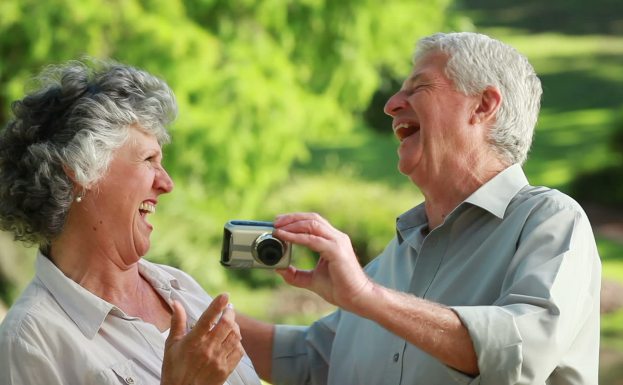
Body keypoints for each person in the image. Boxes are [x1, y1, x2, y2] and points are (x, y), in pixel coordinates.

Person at [237, 32, 602, 385]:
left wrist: (368, 296)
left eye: (419, 88)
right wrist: (183, 307)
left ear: (483, 105)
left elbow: (521, 352)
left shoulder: (551, 220)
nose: (391, 104)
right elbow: (314, 359)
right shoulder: (398, 252)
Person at [0, 59, 261, 385]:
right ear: (79, 170)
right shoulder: (30, 342)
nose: (167, 183)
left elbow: (301, 356)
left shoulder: (179, 287)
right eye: (149, 159)